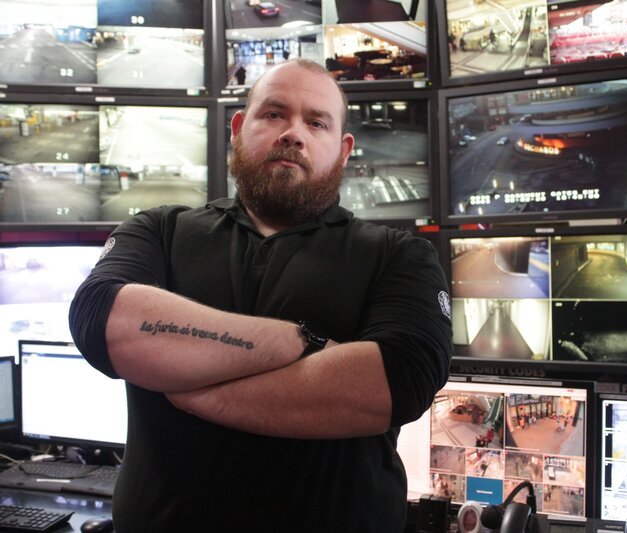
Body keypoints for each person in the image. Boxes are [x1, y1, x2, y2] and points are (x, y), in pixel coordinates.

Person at [69, 58, 453, 532]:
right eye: (273, 114)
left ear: (344, 149)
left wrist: (192, 388)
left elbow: (398, 381)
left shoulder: (400, 255)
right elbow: (101, 321)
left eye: (316, 123)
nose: (293, 133)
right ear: (237, 128)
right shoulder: (159, 230)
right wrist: (305, 340)